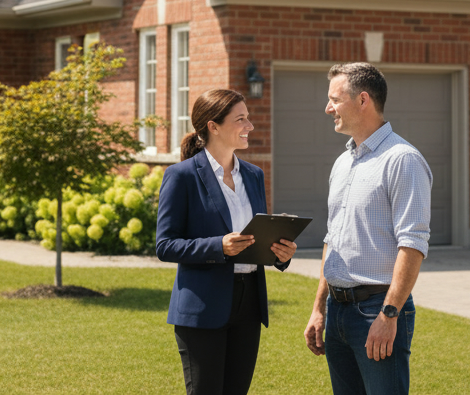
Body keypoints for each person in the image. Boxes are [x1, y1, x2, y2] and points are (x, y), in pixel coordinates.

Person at [157, 89, 299, 395]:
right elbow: (165, 245)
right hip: (202, 306)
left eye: (248, 118)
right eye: (241, 119)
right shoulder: (181, 176)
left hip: (249, 304)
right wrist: (218, 246)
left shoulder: (254, 175)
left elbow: (256, 236)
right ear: (213, 126)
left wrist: (280, 254)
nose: (249, 126)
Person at [303, 63, 433, 395]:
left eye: (335, 99)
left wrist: (389, 315)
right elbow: (333, 239)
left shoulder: (403, 160)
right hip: (337, 311)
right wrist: (319, 308)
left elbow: (413, 244)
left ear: (363, 100)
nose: (328, 108)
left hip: (377, 310)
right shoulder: (343, 162)